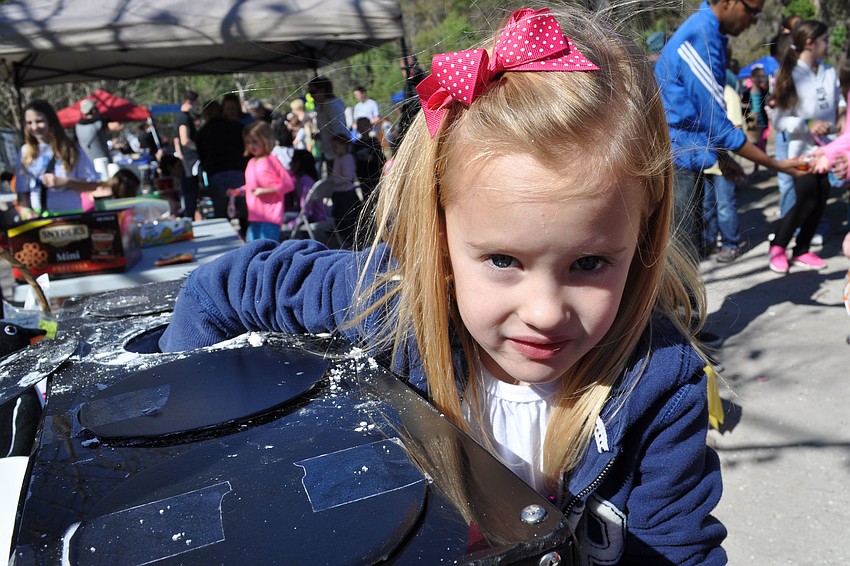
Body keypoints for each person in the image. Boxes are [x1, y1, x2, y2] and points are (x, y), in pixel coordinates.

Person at [159, 7, 726, 563]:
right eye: (504, 259)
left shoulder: (657, 382)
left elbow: (677, 548)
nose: (546, 312)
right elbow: (222, 290)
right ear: (439, 234)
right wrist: (207, 461)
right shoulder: (385, 306)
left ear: (643, 238)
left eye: (590, 264)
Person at [654, 0, 804, 264]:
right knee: (681, 255)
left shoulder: (710, 34)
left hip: (689, 155)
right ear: (728, 2)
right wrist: (777, 165)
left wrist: (722, 158)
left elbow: (698, 114)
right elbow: (717, 123)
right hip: (678, 161)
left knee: (688, 251)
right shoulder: (700, 36)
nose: (754, 21)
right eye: (752, 12)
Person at [770, 20, 846, 273]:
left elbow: (840, 102)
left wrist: (842, 116)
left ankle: (801, 250)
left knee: (822, 197)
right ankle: (778, 247)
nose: (827, 45)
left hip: (828, 150)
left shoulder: (828, 71)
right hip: (801, 153)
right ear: (810, 43)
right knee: (806, 201)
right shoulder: (790, 73)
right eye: (824, 40)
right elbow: (780, 121)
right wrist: (808, 123)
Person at [15, 99, 101, 218]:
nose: (34, 127)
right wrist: (26, 212)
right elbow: (22, 192)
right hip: (40, 219)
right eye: (29, 123)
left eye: (39, 121)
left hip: (70, 217)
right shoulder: (25, 152)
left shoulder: (71, 149)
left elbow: (92, 184)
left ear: (50, 121)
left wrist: (64, 182)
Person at [227, 121, 294, 242]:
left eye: (255, 142)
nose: (251, 146)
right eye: (248, 142)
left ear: (265, 140)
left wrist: (266, 191)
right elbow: (251, 186)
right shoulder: (251, 162)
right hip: (254, 217)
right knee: (251, 251)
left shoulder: (272, 160)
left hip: (270, 218)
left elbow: (288, 184)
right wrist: (238, 191)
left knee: (266, 253)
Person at [196, 99, 248, 219]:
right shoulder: (236, 126)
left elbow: (201, 155)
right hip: (237, 170)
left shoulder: (202, 132)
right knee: (243, 210)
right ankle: (246, 234)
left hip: (216, 174)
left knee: (221, 213)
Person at [307, 77, 349, 174]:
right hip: (329, 153)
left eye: (313, 92)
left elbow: (339, 131)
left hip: (338, 155)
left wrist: (340, 154)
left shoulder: (332, 105)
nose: (312, 96)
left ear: (323, 90)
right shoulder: (320, 107)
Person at [173, 88, 201, 220]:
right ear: (190, 101)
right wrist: (199, 148)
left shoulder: (180, 116)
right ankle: (191, 216)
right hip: (190, 160)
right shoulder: (184, 117)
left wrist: (179, 154)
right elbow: (184, 140)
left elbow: (176, 140)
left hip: (186, 159)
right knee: (191, 191)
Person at [327, 134, 360, 247]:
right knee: (339, 216)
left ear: (343, 146)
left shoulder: (347, 158)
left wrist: (334, 181)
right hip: (338, 193)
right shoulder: (338, 158)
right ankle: (343, 237)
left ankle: (351, 239)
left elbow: (348, 177)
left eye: (336, 146)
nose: (334, 149)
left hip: (346, 193)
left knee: (349, 217)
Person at [74, 98, 111, 163]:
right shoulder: (99, 123)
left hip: (88, 163)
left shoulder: (77, 126)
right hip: (104, 161)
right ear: (93, 110)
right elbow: (116, 126)